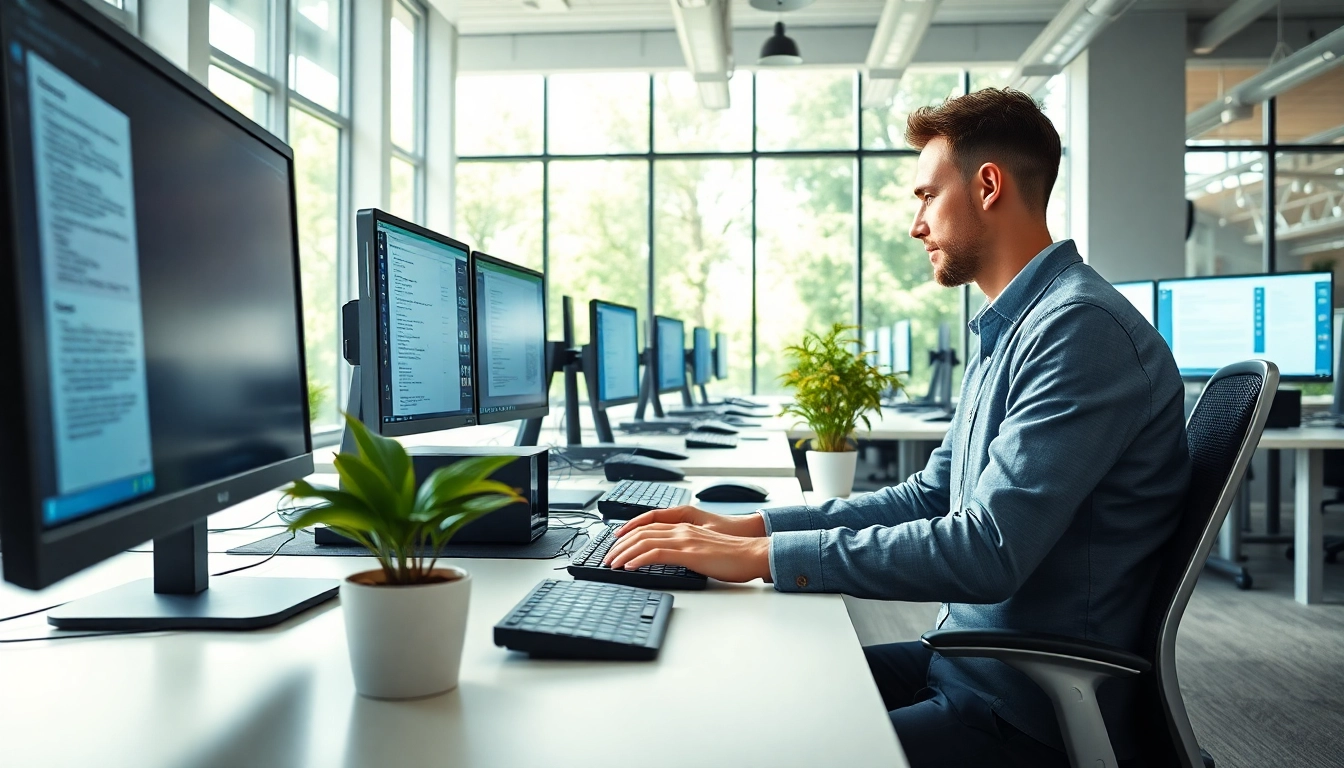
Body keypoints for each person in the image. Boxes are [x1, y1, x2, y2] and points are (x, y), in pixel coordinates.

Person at [602, 88, 1191, 768]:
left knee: (754, 746)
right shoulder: (1016, 330)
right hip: (967, 666)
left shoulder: (1079, 331)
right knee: (733, 688)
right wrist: (752, 529)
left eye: (926, 196)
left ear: (988, 186)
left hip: (1023, 711)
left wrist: (766, 562)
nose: (917, 224)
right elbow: (928, 497)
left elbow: (987, 550)